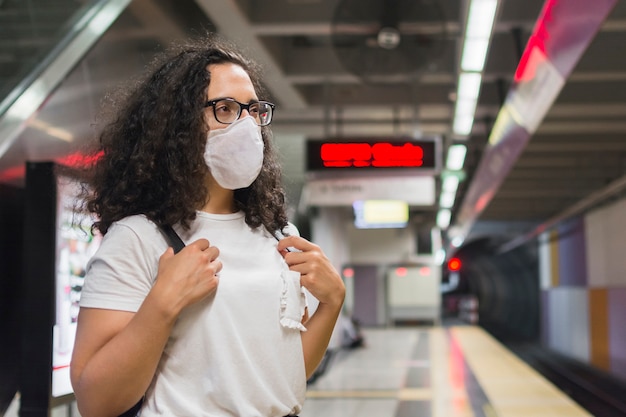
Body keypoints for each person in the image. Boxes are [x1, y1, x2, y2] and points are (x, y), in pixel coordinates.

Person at [69, 35, 345, 417]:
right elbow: (96, 401)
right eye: (225, 108)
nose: (247, 124)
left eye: (253, 109)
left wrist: (330, 305)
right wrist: (162, 304)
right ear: (177, 124)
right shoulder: (140, 237)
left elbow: (279, 376)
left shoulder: (281, 237)